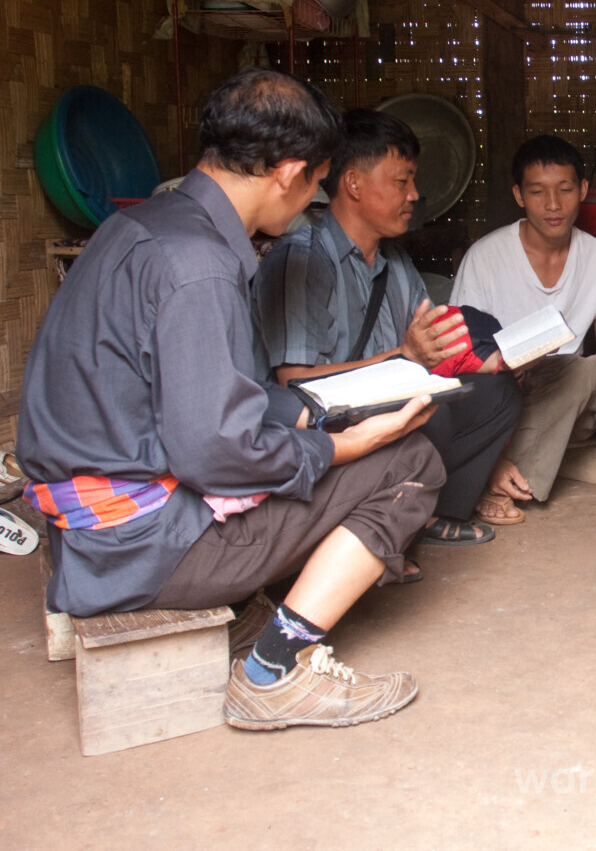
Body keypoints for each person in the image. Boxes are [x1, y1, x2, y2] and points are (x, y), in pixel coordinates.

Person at [18, 69, 444, 729]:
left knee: (319, 419)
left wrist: (308, 409)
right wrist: (343, 443)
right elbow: (218, 453)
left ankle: (252, 624)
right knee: (411, 463)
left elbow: (196, 400)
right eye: (314, 186)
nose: (310, 205)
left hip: (92, 522)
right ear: (289, 172)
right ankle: (272, 673)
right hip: (139, 546)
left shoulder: (148, 226)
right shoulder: (199, 267)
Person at [253, 109, 523, 563]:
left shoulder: (396, 265)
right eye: (402, 182)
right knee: (425, 409)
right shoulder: (299, 262)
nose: (414, 195)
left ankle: (428, 511)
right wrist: (403, 357)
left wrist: (493, 361)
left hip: (392, 393)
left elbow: (428, 353)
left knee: (496, 394)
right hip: (319, 417)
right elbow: (292, 382)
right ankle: (372, 525)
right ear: (355, 184)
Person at [450, 134, 596, 516]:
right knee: (575, 373)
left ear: (583, 189)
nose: (553, 205)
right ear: (519, 195)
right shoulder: (486, 257)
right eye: (537, 192)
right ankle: (502, 470)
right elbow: (464, 362)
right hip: (507, 404)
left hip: (571, 401)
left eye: (566, 190)